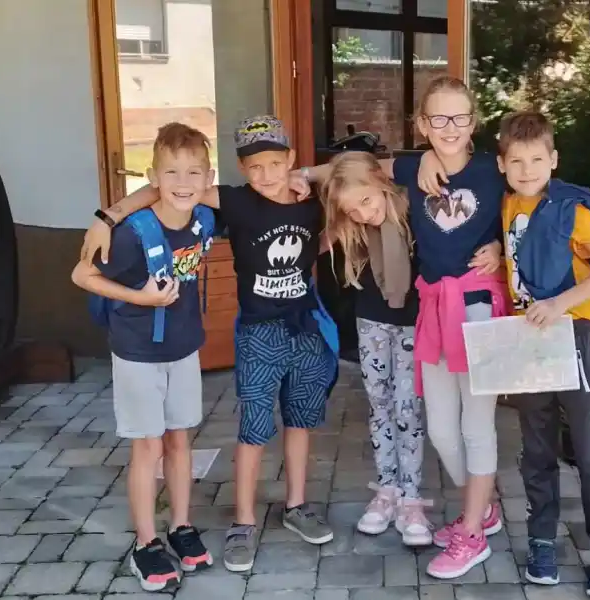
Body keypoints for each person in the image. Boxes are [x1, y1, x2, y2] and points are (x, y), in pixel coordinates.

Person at [303, 76, 590, 580]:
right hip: (433, 308)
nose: (449, 127)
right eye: (438, 118)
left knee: (479, 427)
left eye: (459, 117)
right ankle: (486, 506)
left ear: (473, 122)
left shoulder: (493, 170)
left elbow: (553, 195)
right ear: (422, 124)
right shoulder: (412, 167)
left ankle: (473, 530)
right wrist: (302, 174)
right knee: (440, 429)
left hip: (482, 308)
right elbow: (355, 170)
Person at [80, 116, 338, 573]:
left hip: (215, 341)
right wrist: (108, 216)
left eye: (276, 163)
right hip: (182, 344)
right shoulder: (220, 206)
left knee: (197, 438)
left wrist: (307, 178)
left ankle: (195, 524)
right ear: (240, 169)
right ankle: (172, 537)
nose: (266, 174)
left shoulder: (284, 206)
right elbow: (166, 190)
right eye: (254, 166)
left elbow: (352, 171)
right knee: (170, 444)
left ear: (290, 160)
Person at [71, 122, 215, 592]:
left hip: (183, 347)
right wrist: (141, 298)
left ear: (208, 177)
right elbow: (81, 275)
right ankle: (146, 542)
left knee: (179, 440)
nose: (183, 182)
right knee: (147, 447)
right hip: (137, 353)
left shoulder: (205, 217)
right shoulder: (133, 233)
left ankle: (181, 526)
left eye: (193, 172)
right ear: (153, 176)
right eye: (171, 172)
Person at [496, 110, 590, 598]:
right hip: (530, 340)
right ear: (502, 164)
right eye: (517, 161)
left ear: (553, 160)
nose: (527, 169)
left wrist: (560, 303)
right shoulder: (506, 203)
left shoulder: (572, 209)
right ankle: (542, 542)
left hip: (576, 335)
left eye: (537, 159)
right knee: (537, 449)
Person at [319, 151, 433, 546]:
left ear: (381, 182)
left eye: (366, 201)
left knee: (407, 407)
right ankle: (387, 489)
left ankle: (411, 498)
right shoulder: (352, 226)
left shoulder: (416, 209)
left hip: (413, 320)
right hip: (370, 319)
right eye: (353, 210)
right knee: (379, 404)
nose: (364, 214)